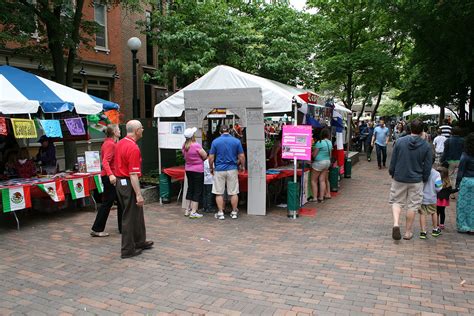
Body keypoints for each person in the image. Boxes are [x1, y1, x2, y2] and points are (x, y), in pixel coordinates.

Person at [114, 120, 153, 259]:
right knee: (129, 216)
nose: (143, 130)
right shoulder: (133, 148)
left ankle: (139, 241)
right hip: (128, 182)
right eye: (141, 128)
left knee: (136, 213)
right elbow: (133, 174)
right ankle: (127, 249)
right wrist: (138, 194)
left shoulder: (120, 143)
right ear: (137, 131)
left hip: (121, 182)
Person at [389, 119, 432, 240]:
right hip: (416, 179)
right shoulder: (426, 146)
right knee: (413, 206)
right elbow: (428, 166)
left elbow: (393, 160)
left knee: (397, 201)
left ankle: (396, 223)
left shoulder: (400, 141)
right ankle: (408, 232)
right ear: (422, 130)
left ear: (409, 129)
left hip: (399, 177)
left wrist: (392, 172)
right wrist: (424, 178)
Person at [91, 124, 122, 237]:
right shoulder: (110, 144)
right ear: (114, 131)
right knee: (107, 203)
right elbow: (105, 162)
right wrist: (111, 175)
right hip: (110, 177)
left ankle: (122, 227)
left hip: (112, 176)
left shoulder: (111, 143)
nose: (120, 130)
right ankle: (97, 229)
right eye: (118, 129)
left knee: (119, 201)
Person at [208, 125, 245, 220]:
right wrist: (242, 166)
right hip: (232, 168)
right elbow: (241, 156)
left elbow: (211, 157)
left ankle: (220, 213)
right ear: (229, 131)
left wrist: (211, 168)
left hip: (219, 169)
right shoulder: (236, 141)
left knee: (219, 192)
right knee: (233, 192)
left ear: (220, 132)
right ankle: (234, 212)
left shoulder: (215, 141)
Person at [182, 127, 207, 219]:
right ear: (193, 136)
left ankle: (187, 210)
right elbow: (204, 155)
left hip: (188, 169)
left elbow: (184, 157)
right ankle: (193, 211)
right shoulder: (196, 145)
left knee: (190, 188)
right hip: (198, 170)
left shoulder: (184, 145)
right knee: (197, 190)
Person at [418, 158, 443, 239]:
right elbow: (439, 188)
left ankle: (423, 232)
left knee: (422, 214)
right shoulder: (436, 174)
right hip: (432, 197)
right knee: (434, 212)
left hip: (421, 197)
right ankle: (435, 229)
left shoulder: (420, 172)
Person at [455, 132, 474, 234]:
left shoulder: (465, 155)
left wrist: (457, 184)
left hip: (467, 181)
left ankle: (464, 226)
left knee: (464, 206)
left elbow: (461, 171)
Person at [310, 128, 333, 203]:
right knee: (322, 180)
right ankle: (321, 197)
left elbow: (314, 155)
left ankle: (314, 198)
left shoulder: (319, 143)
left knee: (313, 180)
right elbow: (330, 155)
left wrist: (311, 154)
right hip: (327, 162)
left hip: (319, 163)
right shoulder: (329, 142)